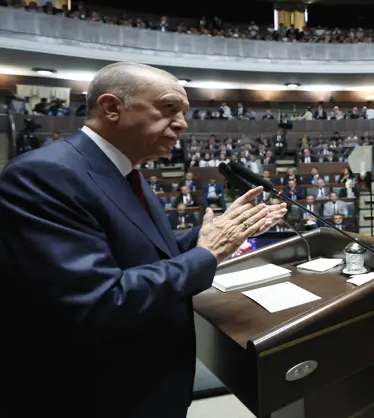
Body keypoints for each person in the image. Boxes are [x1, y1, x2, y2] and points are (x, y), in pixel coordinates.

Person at [0, 62, 287, 417]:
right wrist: (207, 254)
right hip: (95, 396)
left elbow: (144, 251)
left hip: (151, 386)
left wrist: (219, 231)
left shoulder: (126, 172)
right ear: (111, 108)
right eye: (169, 108)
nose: (182, 123)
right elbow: (98, 302)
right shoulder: (45, 175)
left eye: (184, 112)